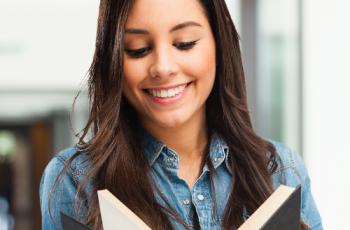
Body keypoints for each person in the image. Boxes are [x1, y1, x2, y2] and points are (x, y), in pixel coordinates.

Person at [39, 0, 323, 229]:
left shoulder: (282, 170)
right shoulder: (75, 180)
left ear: (218, 39)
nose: (163, 67)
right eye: (137, 50)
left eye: (185, 43)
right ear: (114, 58)